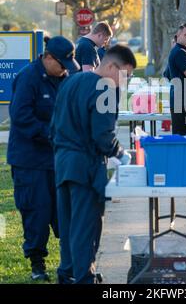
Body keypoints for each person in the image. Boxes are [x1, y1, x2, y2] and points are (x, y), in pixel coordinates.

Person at [51, 45, 137, 284]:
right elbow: (103, 134)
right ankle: (83, 277)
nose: (125, 81)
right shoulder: (107, 88)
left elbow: (54, 124)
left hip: (63, 162)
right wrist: (120, 154)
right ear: (111, 67)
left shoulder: (71, 81)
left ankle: (67, 273)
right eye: (125, 75)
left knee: (68, 226)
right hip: (86, 165)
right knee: (86, 228)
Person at [7, 36, 80, 281]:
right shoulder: (28, 78)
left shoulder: (65, 78)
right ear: (47, 58)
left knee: (64, 214)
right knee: (36, 212)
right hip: (30, 160)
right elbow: (21, 116)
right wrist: (53, 133)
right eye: (61, 64)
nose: (64, 70)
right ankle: (37, 265)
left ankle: (69, 264)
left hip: (58, 159)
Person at [167, 23, 186, 135]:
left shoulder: (176, 50)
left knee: (180, 137)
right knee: (185, 138)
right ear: (178, 36)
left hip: (179, 100)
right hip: (184, 102)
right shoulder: (181, 53)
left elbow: (166, 74)